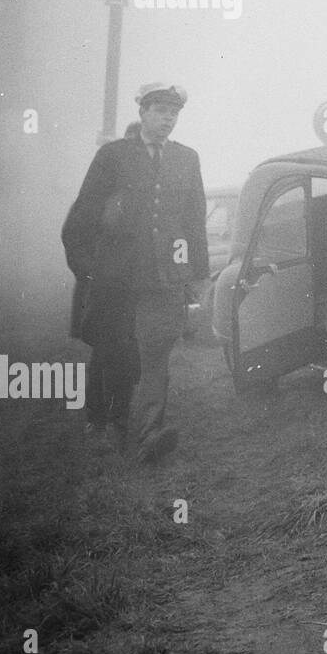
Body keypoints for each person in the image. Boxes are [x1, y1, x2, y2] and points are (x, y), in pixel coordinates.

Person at [62, 84, 208, 463]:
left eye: (173, 113)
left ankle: (148, 437)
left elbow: (194, 224)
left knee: (157, 357)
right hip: (120, 282)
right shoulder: (113, 156)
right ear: (143, 113)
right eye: (159, 110)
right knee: (119, 356)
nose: (167, 119)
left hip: (166, 280)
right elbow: (82, 218)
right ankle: (112, 427)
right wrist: (90, 270)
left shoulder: (187, 159)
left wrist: (198, 274)